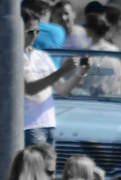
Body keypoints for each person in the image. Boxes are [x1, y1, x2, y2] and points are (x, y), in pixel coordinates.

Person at [23, 8, 89, 148]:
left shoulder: (43, 56)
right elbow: (29, 88)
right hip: (29, 125)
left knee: (49, 168)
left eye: (37, 31)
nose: (34, 35)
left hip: (49, 123)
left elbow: (62, 90)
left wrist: (81, 72)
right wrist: (62, 71)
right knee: (36, 168)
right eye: (30, 32)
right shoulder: (13, 57)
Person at [81, 14, 121, 96]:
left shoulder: (86, 54)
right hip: (113, 100)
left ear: (89, 30)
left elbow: (79, 79)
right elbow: (119, 79)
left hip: (88, 100)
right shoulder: (115, 51)